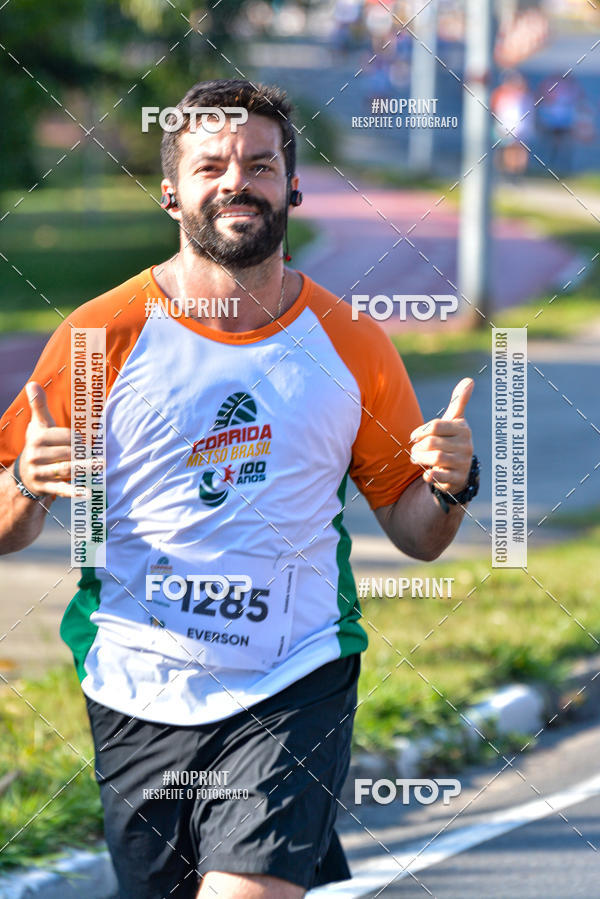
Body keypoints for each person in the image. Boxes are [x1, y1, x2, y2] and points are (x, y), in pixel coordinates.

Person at [0, 79, 478, 899]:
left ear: (292, 185)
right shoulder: (98, 336)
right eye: (211, 164)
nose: (236, 181)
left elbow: (414, 531)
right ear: (171, 189)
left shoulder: (353, 344)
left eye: (260, 164)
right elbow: (6, 526)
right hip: (136, 679)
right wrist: (24, 482)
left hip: (294, 673)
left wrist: (453, 482)